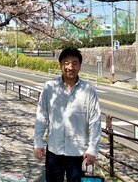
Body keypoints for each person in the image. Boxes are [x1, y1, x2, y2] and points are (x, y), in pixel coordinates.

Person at [34, 47, 101, 182]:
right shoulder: (49, 87)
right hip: (54, 151)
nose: (70, 67)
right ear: (60, 65)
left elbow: (95, 121)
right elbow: (41, 115)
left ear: (80, 66)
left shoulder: (89, 91)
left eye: (75, 63)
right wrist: (38, 141)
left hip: (78, 153)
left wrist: (92, 149)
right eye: (67, 63)